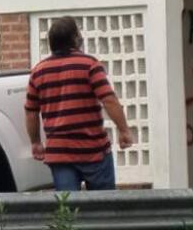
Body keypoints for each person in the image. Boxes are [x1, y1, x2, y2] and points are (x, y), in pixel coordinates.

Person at [25, 16, 134, 191]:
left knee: (68, 211)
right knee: (103, 209)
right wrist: (124, 130)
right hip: (94, 150)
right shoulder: (89, 65)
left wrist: (36, 142)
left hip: (60, 153)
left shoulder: (38, 72)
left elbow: (31, 112)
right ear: (75, 38)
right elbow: (109, 99)